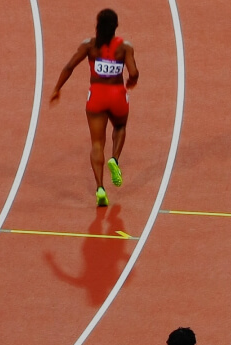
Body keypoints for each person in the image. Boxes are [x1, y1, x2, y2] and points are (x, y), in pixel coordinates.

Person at [51, 8, 139, 207]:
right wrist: (132, 80)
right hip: (117, 94)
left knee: (97, 144)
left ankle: (100, 188)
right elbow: (133, 71)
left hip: (96, 96)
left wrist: (57, 88)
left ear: (97, 26)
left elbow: (69, 66)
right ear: (116, 26)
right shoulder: (125, 47)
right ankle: (115, 159)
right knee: (120, 127)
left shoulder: (89, 46)